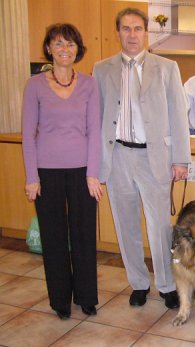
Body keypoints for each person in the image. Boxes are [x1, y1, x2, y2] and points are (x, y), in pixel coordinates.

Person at [92, 8, 190, 309]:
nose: (132, 34)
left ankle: (166, 284)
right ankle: (138, 282)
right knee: (126, 224)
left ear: (146, 32)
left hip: (154, 157)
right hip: (118, 155)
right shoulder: (101, 69)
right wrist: (95, 165)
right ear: (118, 32)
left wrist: (181, 159)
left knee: (160, 225)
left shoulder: (167, 67)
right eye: (125, 28)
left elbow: (178, 115)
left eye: (137, 28)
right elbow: (96, 119)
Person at [22, 23, 102, 320]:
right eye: (58, 44)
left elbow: (95, 131)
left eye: (70, 44)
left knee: (83, 235)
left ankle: (86, 296)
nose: (64, 49)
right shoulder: (35, 85)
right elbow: (28, 134)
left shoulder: (90, 84)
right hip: (47, 171)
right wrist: (32, 177)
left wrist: (93, 174)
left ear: (77, 49)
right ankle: (60, 301)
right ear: (49, 49)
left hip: (83, 171)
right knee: (53, 237)